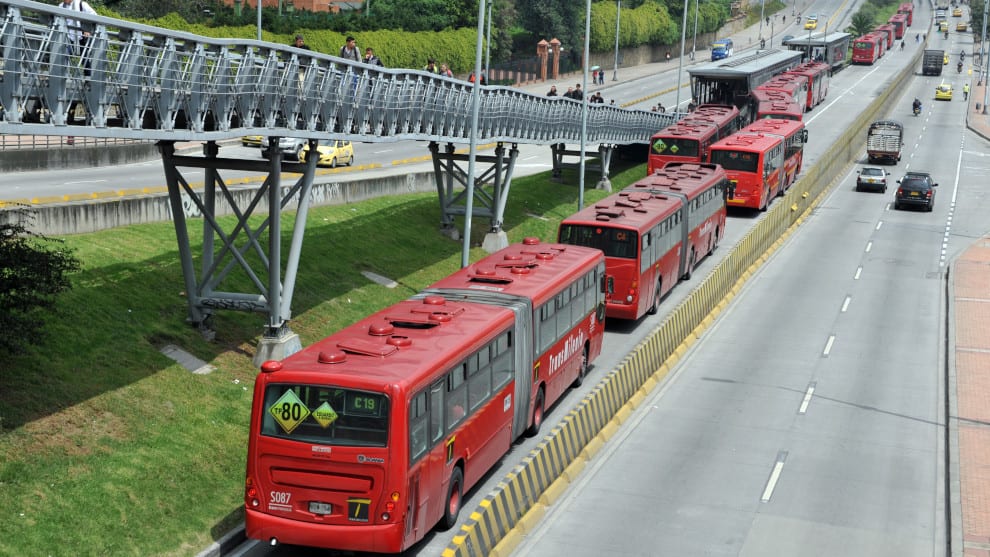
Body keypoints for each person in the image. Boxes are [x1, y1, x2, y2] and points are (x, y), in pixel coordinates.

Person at [60, 0, 97, 75]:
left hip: (82, 38)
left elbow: (95, 16)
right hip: (68, 38)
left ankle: (88, 80)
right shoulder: (61, 6)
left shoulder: (81, 4)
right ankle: (63, 78)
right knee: (63, 55)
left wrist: (88, 29)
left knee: (86, 60)